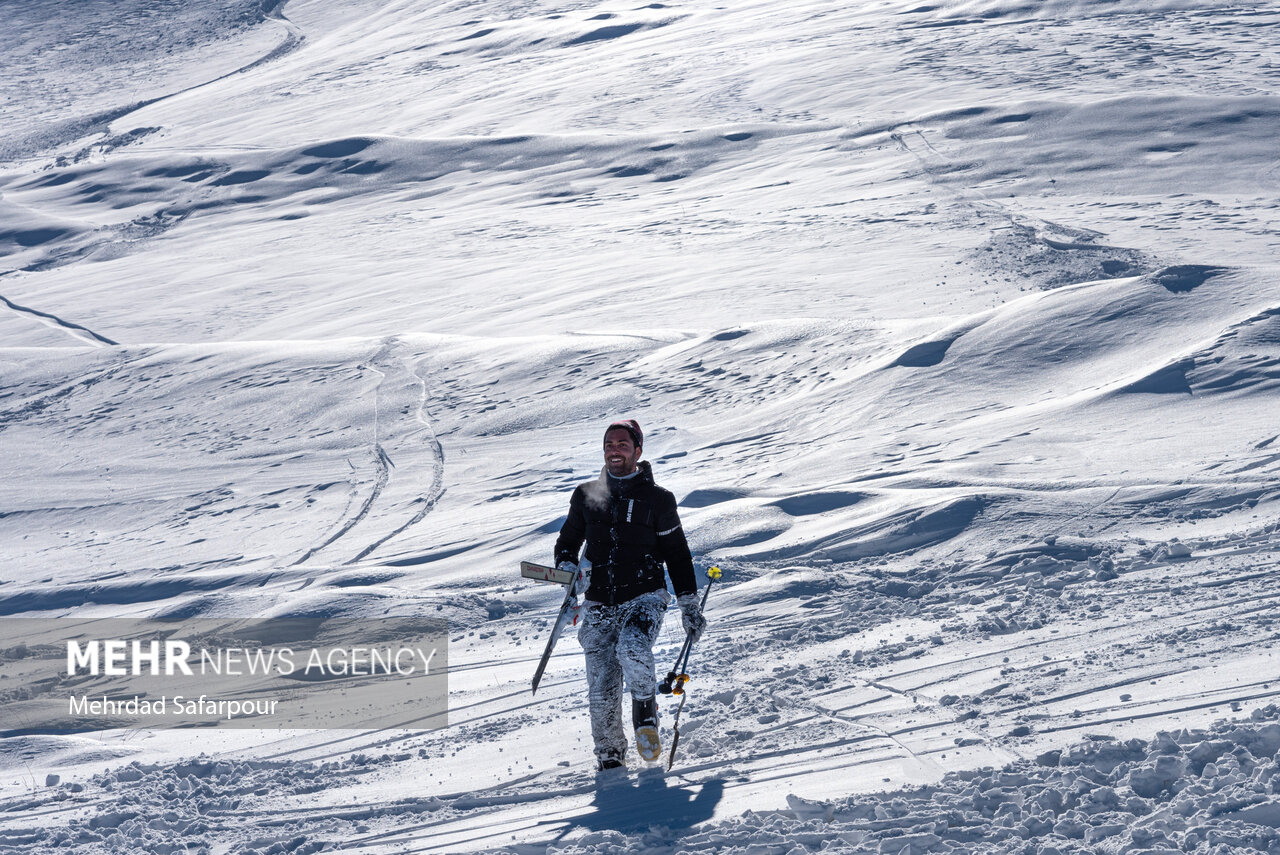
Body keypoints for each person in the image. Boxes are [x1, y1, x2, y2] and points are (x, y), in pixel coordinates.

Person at [554, 419, 706, 770]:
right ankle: (608, 753)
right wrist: (567, 567)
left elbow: (678, 555)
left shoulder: (658, 500)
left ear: (638, 450)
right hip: (598, 602)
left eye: (623, 443)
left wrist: (688, 605)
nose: (614, 449)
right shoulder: (586, 494)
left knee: (632, 647)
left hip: (644, 595)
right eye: (609, 443)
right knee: (602, 683)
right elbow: (567, 542)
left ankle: (645, 712)